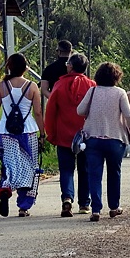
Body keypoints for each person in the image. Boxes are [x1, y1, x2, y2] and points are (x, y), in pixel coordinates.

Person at [77, 62, 130, 222]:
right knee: (114, 173)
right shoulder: (120, 93)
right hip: (115, 139)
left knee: (94, 174)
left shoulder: (92, 91)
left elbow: (80, 110)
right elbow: (129, 116)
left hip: (93, 139)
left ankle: (96, 209)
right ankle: (114, 206)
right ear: (116, 77)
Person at [0, 53, 44, 217]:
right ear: (25, 68)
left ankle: (5, 187)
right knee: (29, 168)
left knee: (9, 165)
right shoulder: (32, 86)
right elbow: (38, 112)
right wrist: (43, 132)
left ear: (9, 67)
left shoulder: (2, 85)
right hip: (27, 132)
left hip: (5, 133)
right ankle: (24, 205)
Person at [45, 52, 95, 216]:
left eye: (68, 63)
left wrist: (50, 133)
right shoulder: (91, 86)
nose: (66, 65)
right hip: (85, 135)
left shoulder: (59, 85)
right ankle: (84, 204)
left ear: (71, 66)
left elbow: (50, 112)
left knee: (66, 169)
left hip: (63, 135)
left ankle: (67, 198)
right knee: (85, 169)